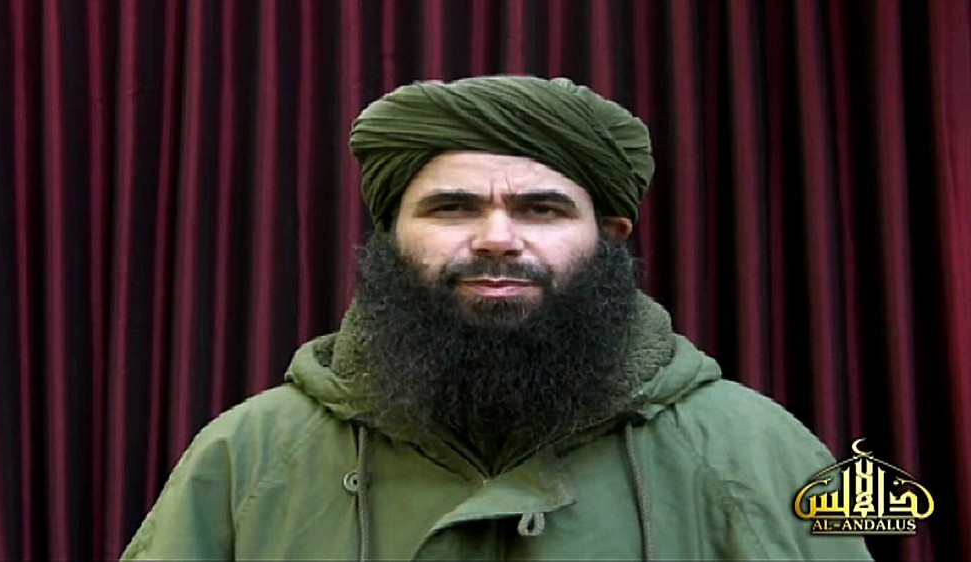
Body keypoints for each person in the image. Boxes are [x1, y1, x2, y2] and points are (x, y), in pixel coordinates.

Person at [121, 75, 872, 560]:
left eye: (541, 209)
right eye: (452, 208)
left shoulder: (753, 445)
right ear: (391, 237)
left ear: (609, 238)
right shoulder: (250, 453)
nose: (496, 239)